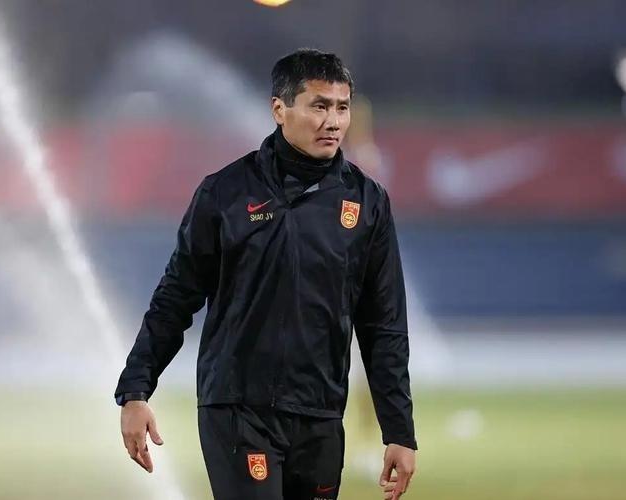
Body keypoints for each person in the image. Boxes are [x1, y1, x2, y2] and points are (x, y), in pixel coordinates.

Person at [115, 48, 417, 500]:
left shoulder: (368, 202)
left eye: (342, 107)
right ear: (280, 109)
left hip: (320, 415)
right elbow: (175, 298)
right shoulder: (225, 192)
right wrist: (136, 389)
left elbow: (384, 325)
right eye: (318, 106)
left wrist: (399, 430)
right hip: (239, 411)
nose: (333, 121)